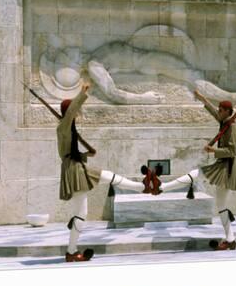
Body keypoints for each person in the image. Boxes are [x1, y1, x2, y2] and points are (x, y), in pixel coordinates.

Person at [57, 81, 200, 262]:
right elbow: (69, 122)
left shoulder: (67, 128)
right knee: (81, 214)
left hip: (78, 167)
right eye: (74, 111)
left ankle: (143, 187)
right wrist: (82, 94)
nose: (77, 113)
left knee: (107, 176)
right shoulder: (63, 126)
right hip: (74, 171)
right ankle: (71, 252)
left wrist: (86, 154)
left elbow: (70, 151)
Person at [194, 88, 236, 250]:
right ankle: (230, 239)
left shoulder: (233, 127)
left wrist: (213, 150)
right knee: (221, 205)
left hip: (227, 168)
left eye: (221, 110)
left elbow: (232, 151)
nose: (218, 112)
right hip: (221, 165)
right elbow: (213, 112)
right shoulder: (224, 122)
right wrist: (202, 98)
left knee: (221, 204)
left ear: (227, 112)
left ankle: (230, 238)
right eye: (219, 110)